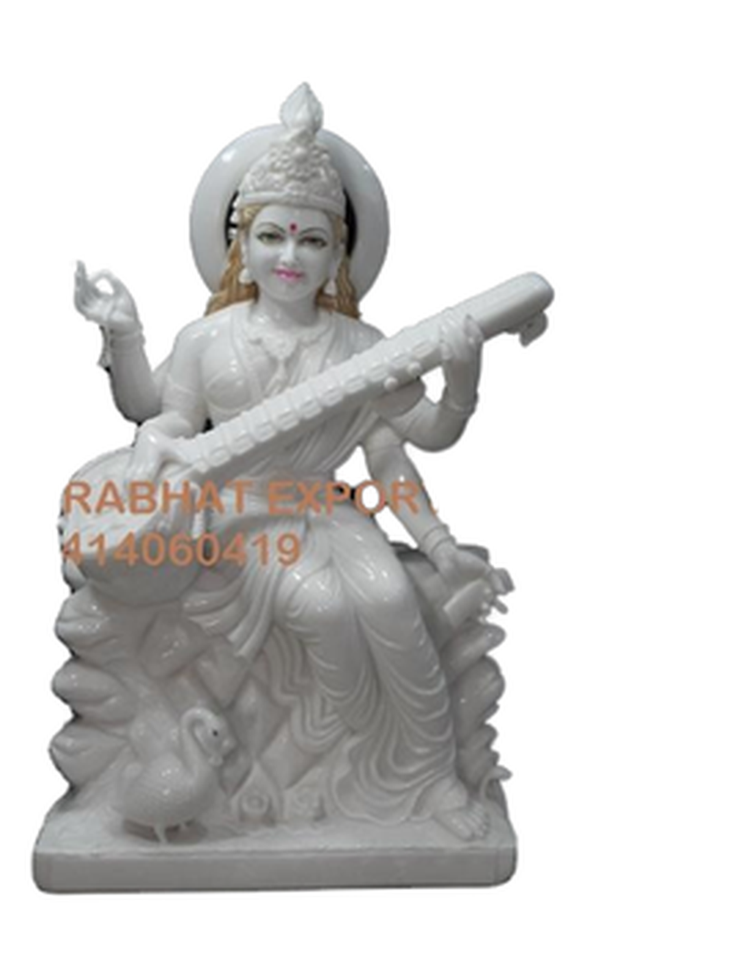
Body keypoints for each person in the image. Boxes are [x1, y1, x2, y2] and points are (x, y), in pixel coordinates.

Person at [73, 85, 507, 839]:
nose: (289, 256)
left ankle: (428, 777)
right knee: (325, 606)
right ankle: (354, 766)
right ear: (241, 246)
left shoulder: (361, 348)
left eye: (311, 241)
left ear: (337, 254)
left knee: (393, 602)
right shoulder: (210, 340)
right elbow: (158, 413)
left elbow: (407, 449)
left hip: (328, 512)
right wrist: (123, 337)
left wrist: (462, 383)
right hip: (241, 515)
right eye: (272, 236)